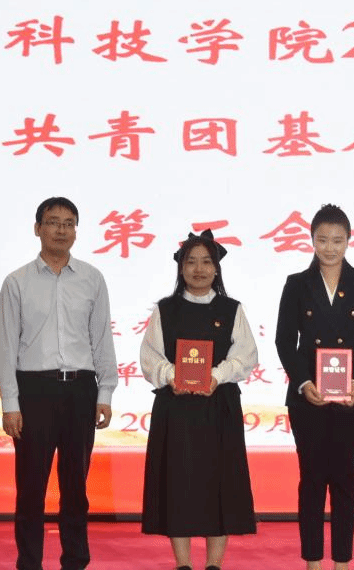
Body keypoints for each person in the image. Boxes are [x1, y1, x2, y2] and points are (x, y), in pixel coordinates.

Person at [0, 196, 118, 570]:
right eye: (53, 222)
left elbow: (101, 339)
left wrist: (105, 392)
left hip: (81, 390)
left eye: (68, 223)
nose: (61, 230)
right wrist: (10, 404)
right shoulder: (17, 282)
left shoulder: (92, 279)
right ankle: (29, 563)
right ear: (38, 229)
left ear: (76, 231)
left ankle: (76, 561)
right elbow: (7, 347)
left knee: (76, 487)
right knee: (31, 488)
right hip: (34, 391)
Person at [274, 204, 354, 570]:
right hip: (308, 398)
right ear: (311, 240)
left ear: (349, 240)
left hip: (353, 397)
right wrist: (303, 382)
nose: (330, 248)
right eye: (322, 239)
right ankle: (312, 561)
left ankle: (341, 562)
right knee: (311, 480)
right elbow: (284, 340)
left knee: (344, 480)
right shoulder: (296, 284)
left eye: (337, 240)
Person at [139, 229, 259, 570]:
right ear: (181, 268)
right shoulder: (166, 309)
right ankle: (183, 564)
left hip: (219, 407)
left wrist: (216, 376)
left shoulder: (231, 309)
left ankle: (214, 564)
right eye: (191, 262)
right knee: (178, 483)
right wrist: (171, 375)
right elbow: (149, 357)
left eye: (206, 262)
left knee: (219, 484)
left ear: (216, 268)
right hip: (176, 408)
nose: (199, 269)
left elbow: (247, 355)